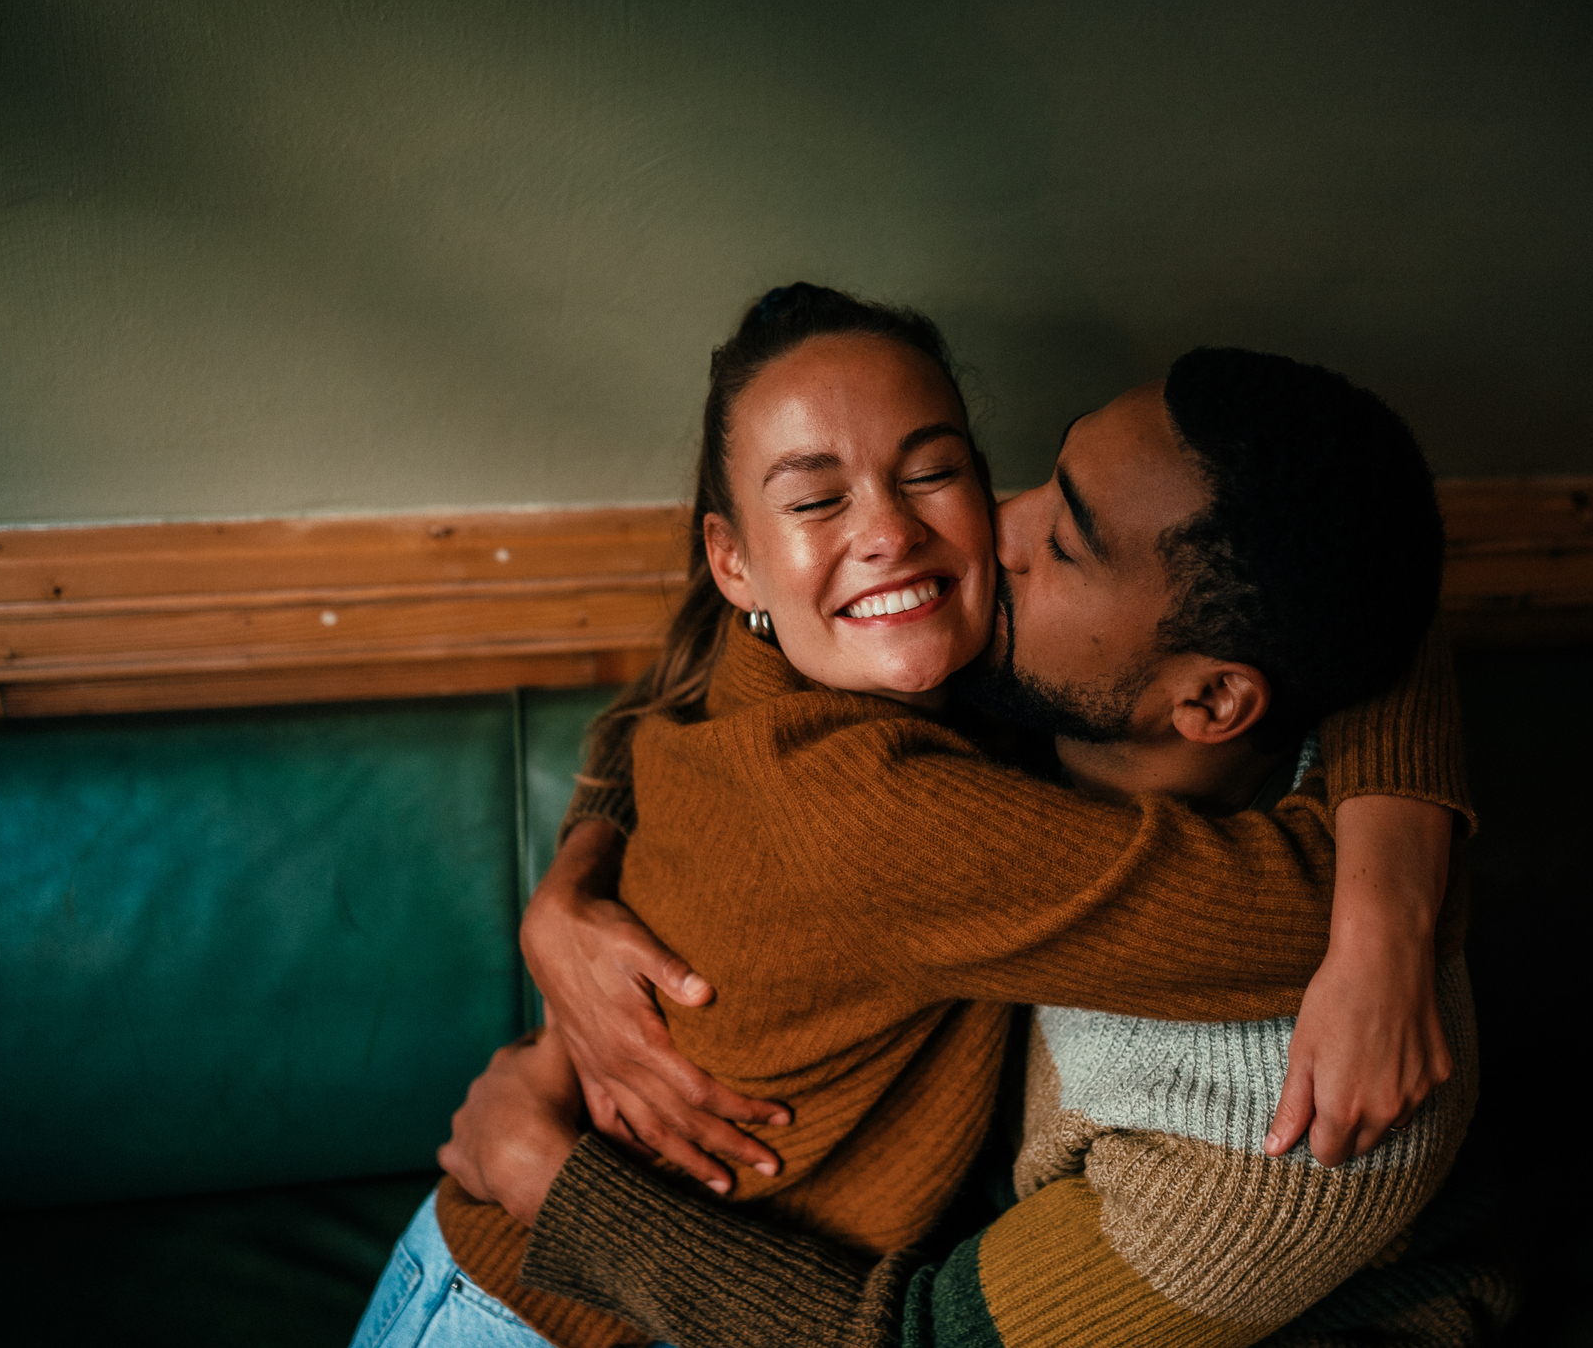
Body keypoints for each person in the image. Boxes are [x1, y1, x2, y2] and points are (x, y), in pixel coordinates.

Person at [353, 285, 1482, 1348]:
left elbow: (1355, 587)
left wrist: (576, 883)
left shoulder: (924, 665)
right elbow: (1310, 867)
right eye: (812, 499)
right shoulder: (886, 775)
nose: (916, 533)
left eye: (939, 472)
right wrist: (1386, 926)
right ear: (735, 563)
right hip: (527, 1313)